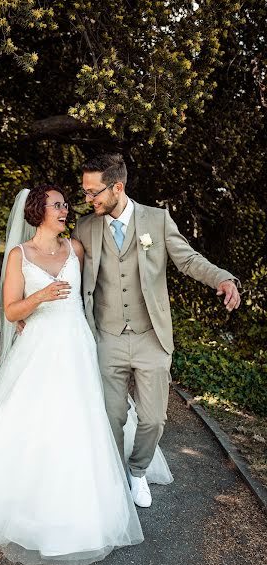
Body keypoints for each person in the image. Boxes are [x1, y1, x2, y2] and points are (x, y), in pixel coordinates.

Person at [0, 184, 172, 565]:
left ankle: (117, 482)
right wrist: (39, 298)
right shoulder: (19, 255)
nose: (65, 210)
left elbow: (106, 282)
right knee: (33, 420)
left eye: (66, 203)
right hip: (39, 348)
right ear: (37, 211)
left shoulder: (75, 249)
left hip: (79, 343)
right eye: (57, 205)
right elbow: (12, 311)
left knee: (87, 418)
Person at [72, 153, 241, 509]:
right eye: (86, 193)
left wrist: (222, 278)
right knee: (112, 414)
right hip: (107, 337)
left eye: (93, 192)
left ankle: (137, 472)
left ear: (117, 187)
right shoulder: (85, 228)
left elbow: (189, 260)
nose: (88, 200)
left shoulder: (157, 220)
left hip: (151, 336)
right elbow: (65, 272)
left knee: (153, 419)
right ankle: (114, 476)